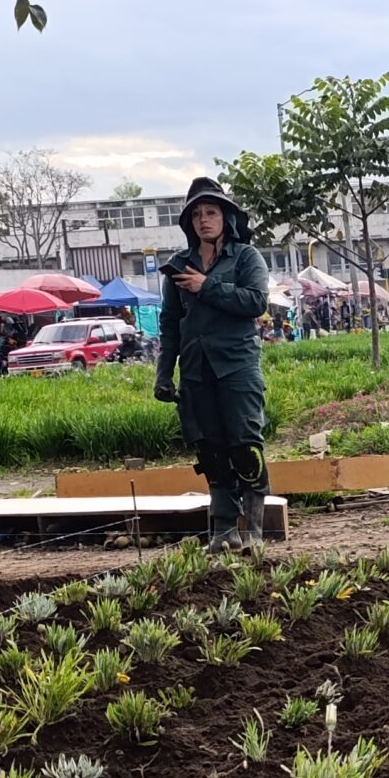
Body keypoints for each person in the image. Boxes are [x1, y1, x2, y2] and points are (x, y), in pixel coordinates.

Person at [154, 176, 271, 551]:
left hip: (237, 364)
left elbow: (256, 302)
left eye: (212, 212)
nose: (204, 220)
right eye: (197, 214)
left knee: (245, 445)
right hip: (195, 369)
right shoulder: (177, 267)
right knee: (210, 450)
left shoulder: (245, 257)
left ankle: (253, 530)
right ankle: (223, 532)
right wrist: (162, 373)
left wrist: (207, 286)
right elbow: (170, 324)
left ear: (226, 217)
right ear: (189, 222)